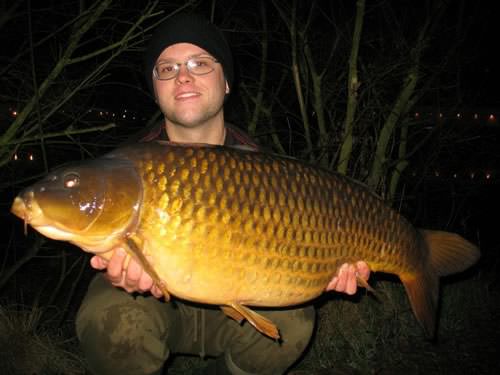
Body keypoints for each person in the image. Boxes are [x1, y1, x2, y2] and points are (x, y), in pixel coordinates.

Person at [75, 13, 371, 375]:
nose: (182, 75)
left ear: (227, 81)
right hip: (160, 307)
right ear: (155, 89)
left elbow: (301, 250)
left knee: (295, 321)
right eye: (166, 69)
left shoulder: (265, 171)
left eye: (199, 63)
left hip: (237, 308)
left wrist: (329, 266)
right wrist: (118, 275)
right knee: (107, 317)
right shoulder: (129, 167)